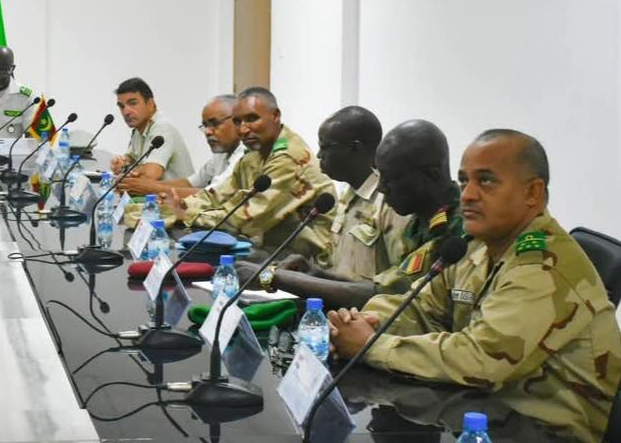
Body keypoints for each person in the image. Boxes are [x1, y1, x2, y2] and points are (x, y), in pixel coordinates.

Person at [329, 129, 621, 443]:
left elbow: (480, 360)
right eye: (464, 180)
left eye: (485, 181)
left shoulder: (543, 266)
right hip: (485, 414)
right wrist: (363, 323)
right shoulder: (478, 247)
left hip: (548, 433)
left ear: (532, 193)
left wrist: (370, 345)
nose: (467, 194)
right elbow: (422, 307)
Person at [260, 119, 462, 307]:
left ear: (430, 176)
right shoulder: (419, 221)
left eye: (389, 179)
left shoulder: (456, 228)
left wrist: (275, 277)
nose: (381, 187)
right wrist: (319, 275)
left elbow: (389, 295)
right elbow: (388, 284)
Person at [169, 87, 336, 266]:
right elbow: (218, 195)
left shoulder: (289, 157)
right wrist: (182, 205)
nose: (243, 129)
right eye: (237, 121)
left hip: (307, 264)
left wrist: (187, 214)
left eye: (252, 119)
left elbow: (245, 218)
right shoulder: (254, 154)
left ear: (276, 116)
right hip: (270, 250)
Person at [118, 94, 246, 198]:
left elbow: (213, 195)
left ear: (238, 121)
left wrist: (152, 188)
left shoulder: (243, 154)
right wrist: (142, 185)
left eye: (215, 124)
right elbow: (190, 183)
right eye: (205, 126)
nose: (207, 132)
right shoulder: (221, 154)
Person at [109, 77, 194, 182]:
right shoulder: (138, 130)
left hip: (179, 192)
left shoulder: (163, 127)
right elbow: (129, 159)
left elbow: (150, 175)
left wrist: (126, 169)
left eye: (133, 103)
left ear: (150, 104)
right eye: (121, 106)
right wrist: (119, 162)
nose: (126, 112)